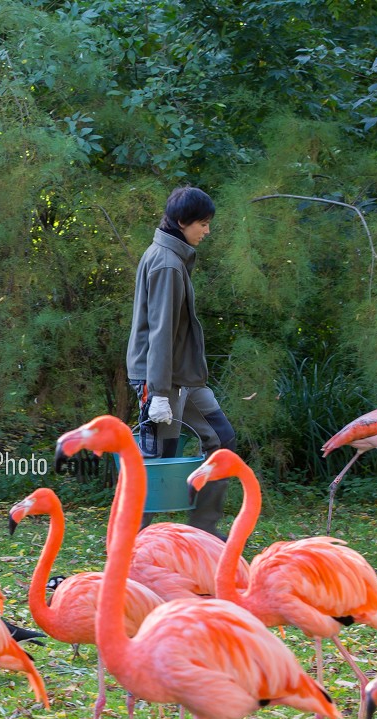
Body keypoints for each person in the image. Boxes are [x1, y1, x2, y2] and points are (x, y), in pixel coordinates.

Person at [126, 185, 235, 537]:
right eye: (202, 224)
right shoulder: (167, 265)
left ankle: (204, 532)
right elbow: (159, 332)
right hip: (162, 382)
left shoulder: (172, 258)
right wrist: (157, 392)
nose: (207, 231)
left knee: (221, 438)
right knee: (158, 462)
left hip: (182, 378)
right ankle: (129, 545)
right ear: (180, 222)